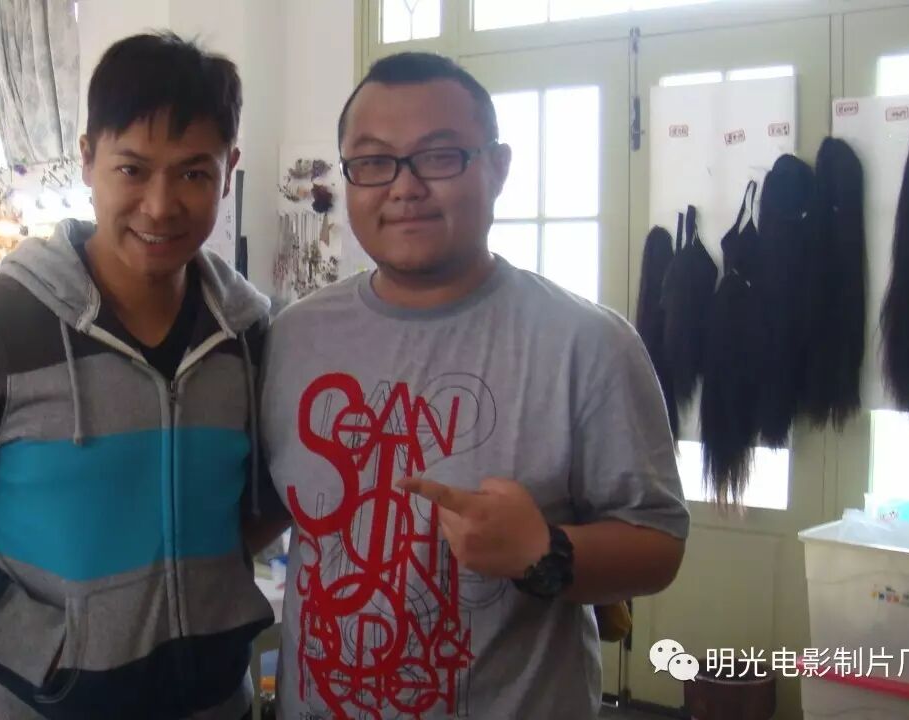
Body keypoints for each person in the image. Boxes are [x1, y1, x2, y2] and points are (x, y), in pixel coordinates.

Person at [259, 52, 690, 719]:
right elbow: (266, 510)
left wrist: (544, 551)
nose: (404, 187)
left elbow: (658, 544)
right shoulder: (292, 336)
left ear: (498, 167)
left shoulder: (586, 343)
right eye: (373, 162)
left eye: (439, 157)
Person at [0, 33, 275, 720]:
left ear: (228, 171)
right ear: (87, 159)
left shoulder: (248, 334)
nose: (160, 205)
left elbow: (261, 504)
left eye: (193, 174)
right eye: (132, 169)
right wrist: (39, 644)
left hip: (217, 706)